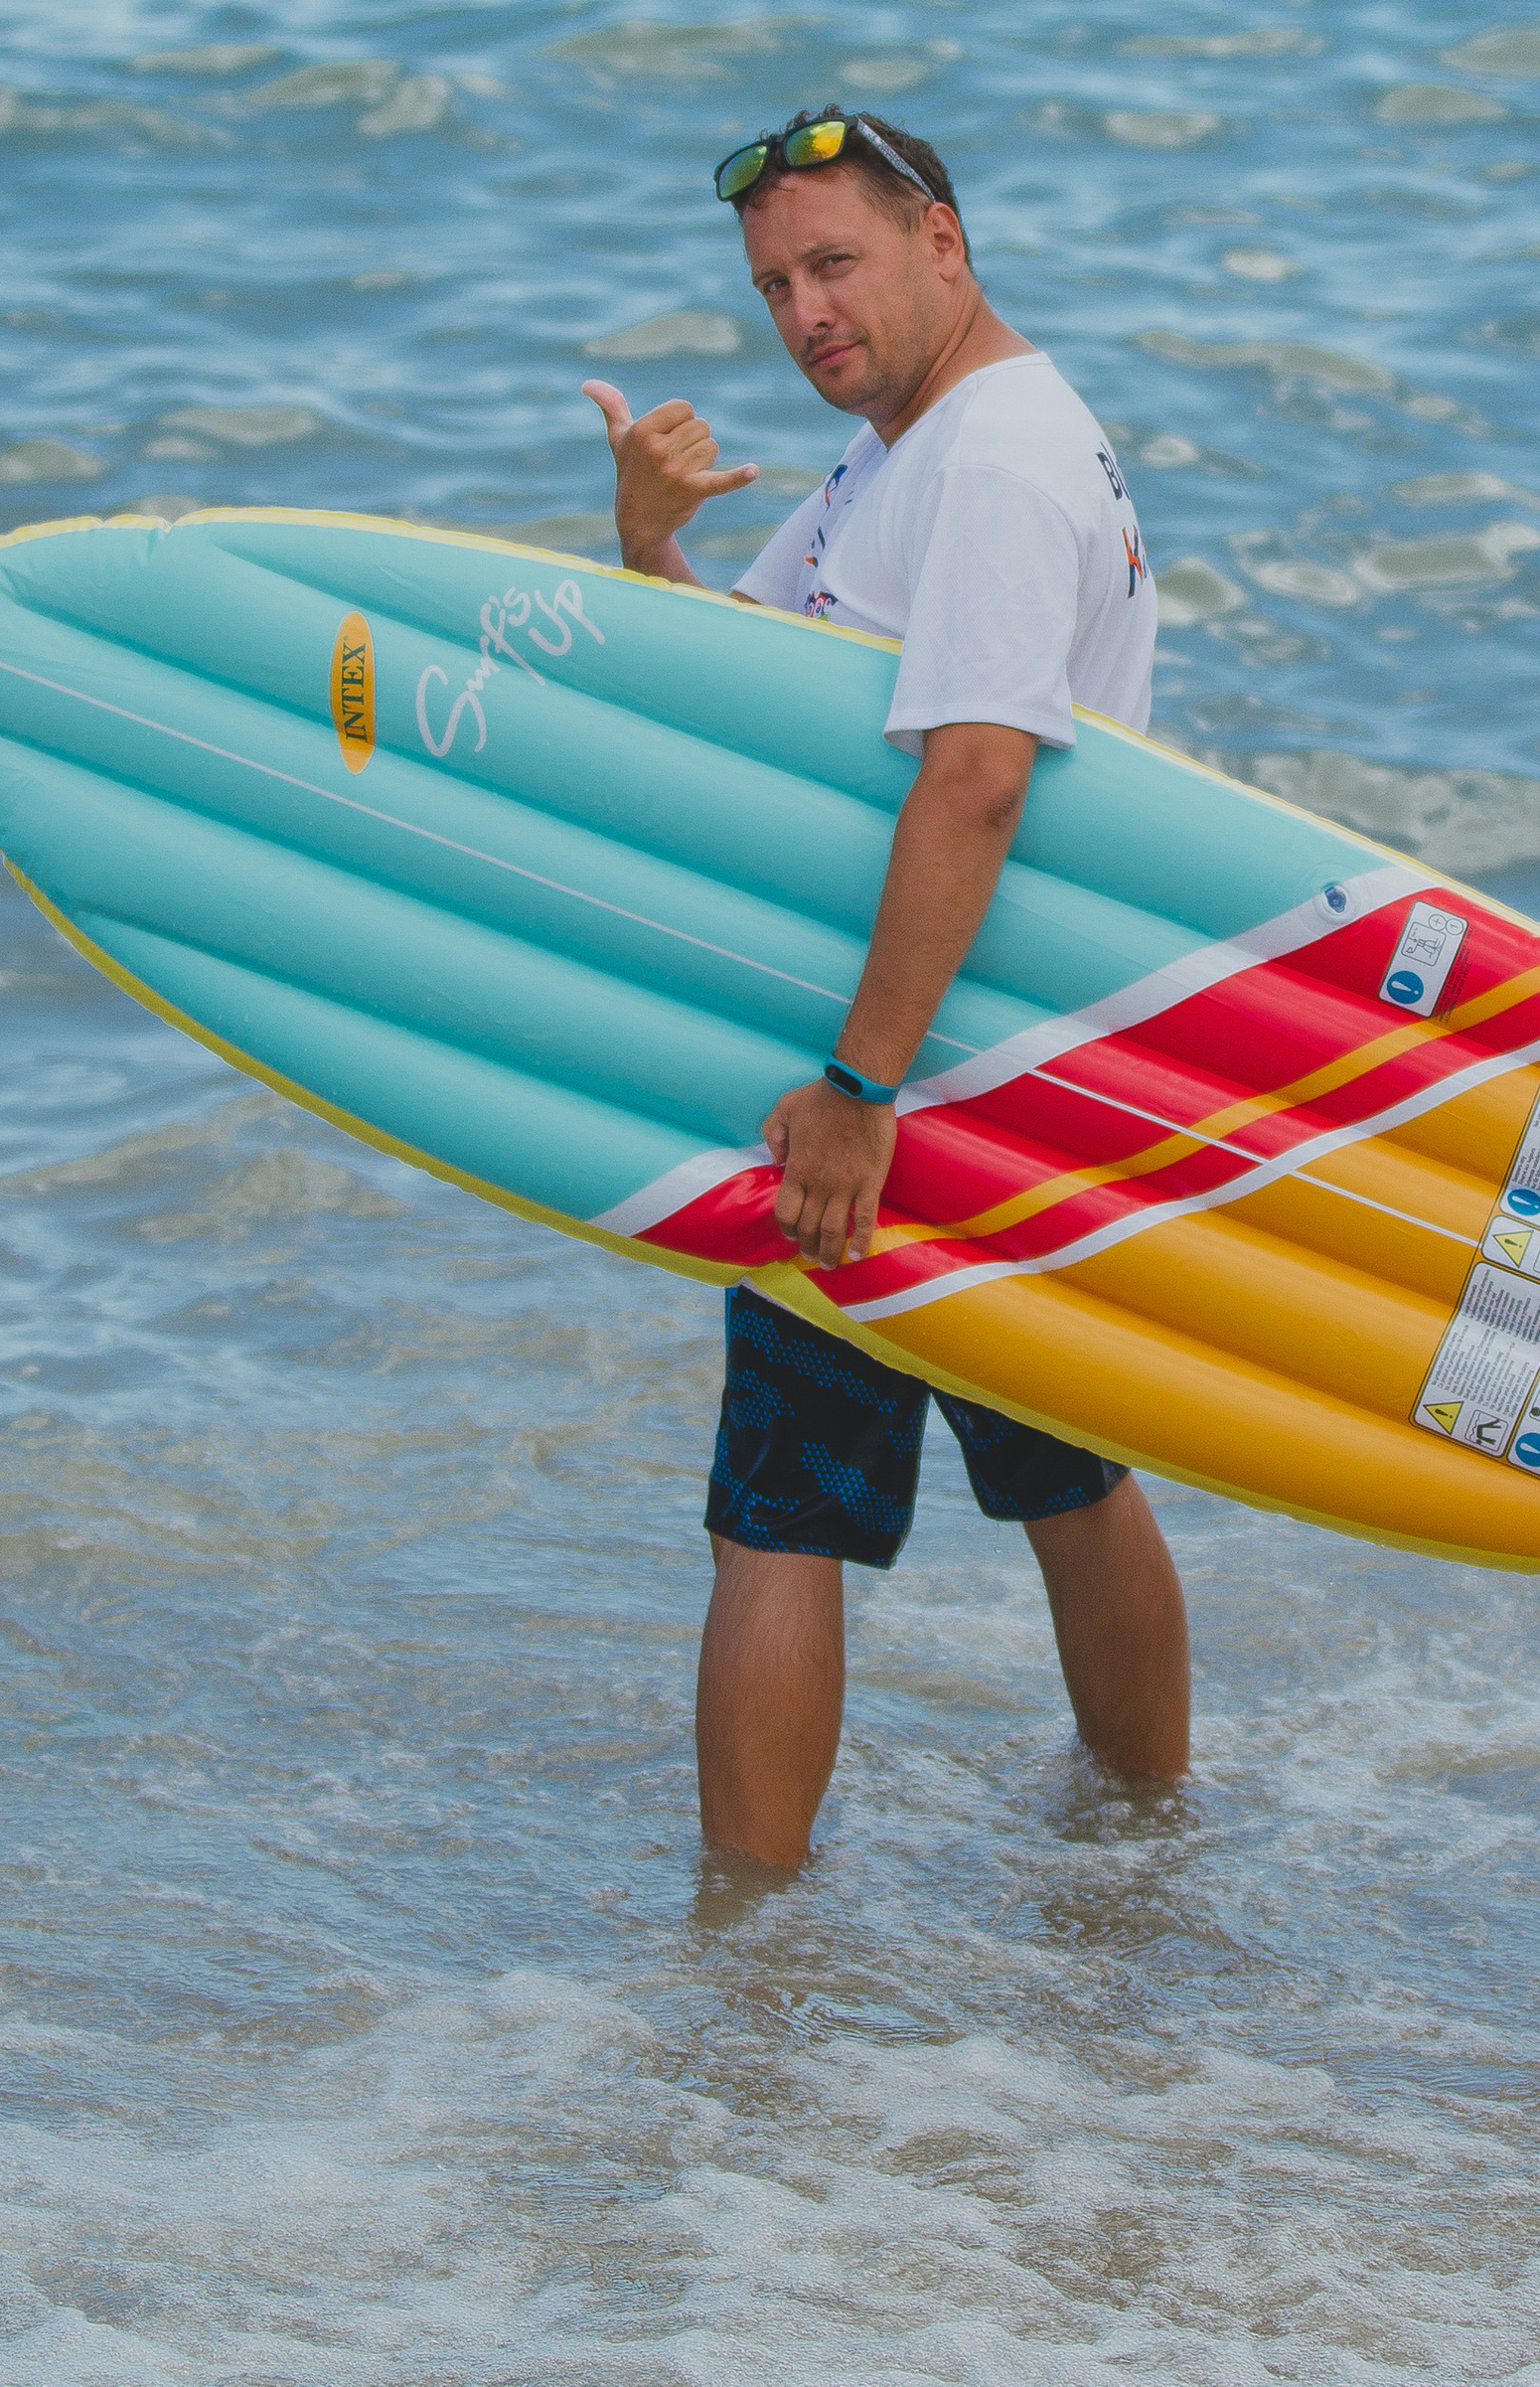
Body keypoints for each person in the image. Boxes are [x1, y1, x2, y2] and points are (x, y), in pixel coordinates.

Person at [582, 105, 1190, 1867]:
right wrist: (645, 544)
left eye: (834, 265)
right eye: (774, 284)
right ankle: (1150, 1871)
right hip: (1008, 1063)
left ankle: (740, 1973)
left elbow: (980, 777)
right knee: (1069, 1481)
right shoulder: (902, 458)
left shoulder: (991, 461)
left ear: (946, 242)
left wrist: (857, 1091)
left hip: (909, 1067)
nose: (802, 314)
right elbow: (761, 699)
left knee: (779, 1521)